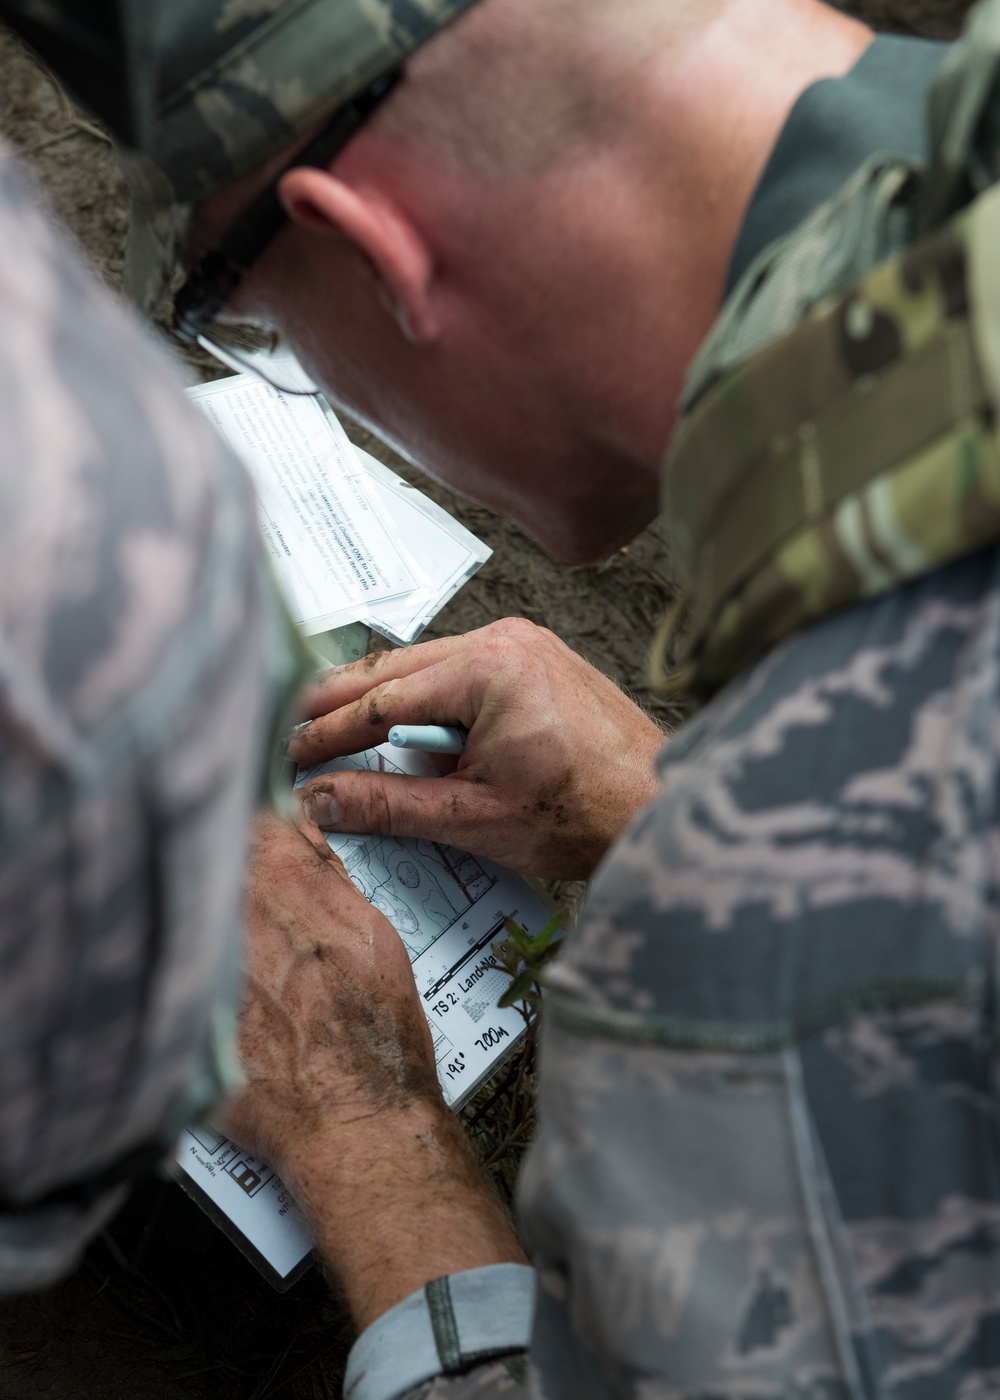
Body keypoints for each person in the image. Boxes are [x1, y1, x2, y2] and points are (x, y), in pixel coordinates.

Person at [21, 0, 1000, 1396]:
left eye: (243, 316)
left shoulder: (760, 1000)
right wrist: (654, 812)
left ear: (373, 248)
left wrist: (362, 1121)